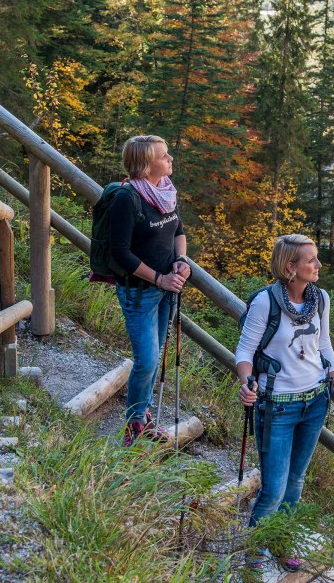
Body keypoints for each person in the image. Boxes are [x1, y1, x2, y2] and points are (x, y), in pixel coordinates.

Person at [235, 234, 334, 571]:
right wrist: (246, 382)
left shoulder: (320, 299)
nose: (318, 265)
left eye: (316, 258)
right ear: (291, 267)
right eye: (311, 260)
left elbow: (324, 346)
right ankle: (252, 558)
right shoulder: (266, 302)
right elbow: (245, 351)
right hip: (277, 405)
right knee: (274, 489)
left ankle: (280, 542)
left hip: (315, 401)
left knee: (296, 483)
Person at [110, 135, 191, 446]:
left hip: (166, 288)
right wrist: (159, 279)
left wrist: (181, 261)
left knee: (154, 357)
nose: (170, 160)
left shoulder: (165, 193)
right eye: (164, 156)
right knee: (146, 360)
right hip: (139, 292)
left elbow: (178, 231)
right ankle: (134, 423)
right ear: (146, 165)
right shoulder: (126, 199)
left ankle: (141, 416)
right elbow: (121, 253)